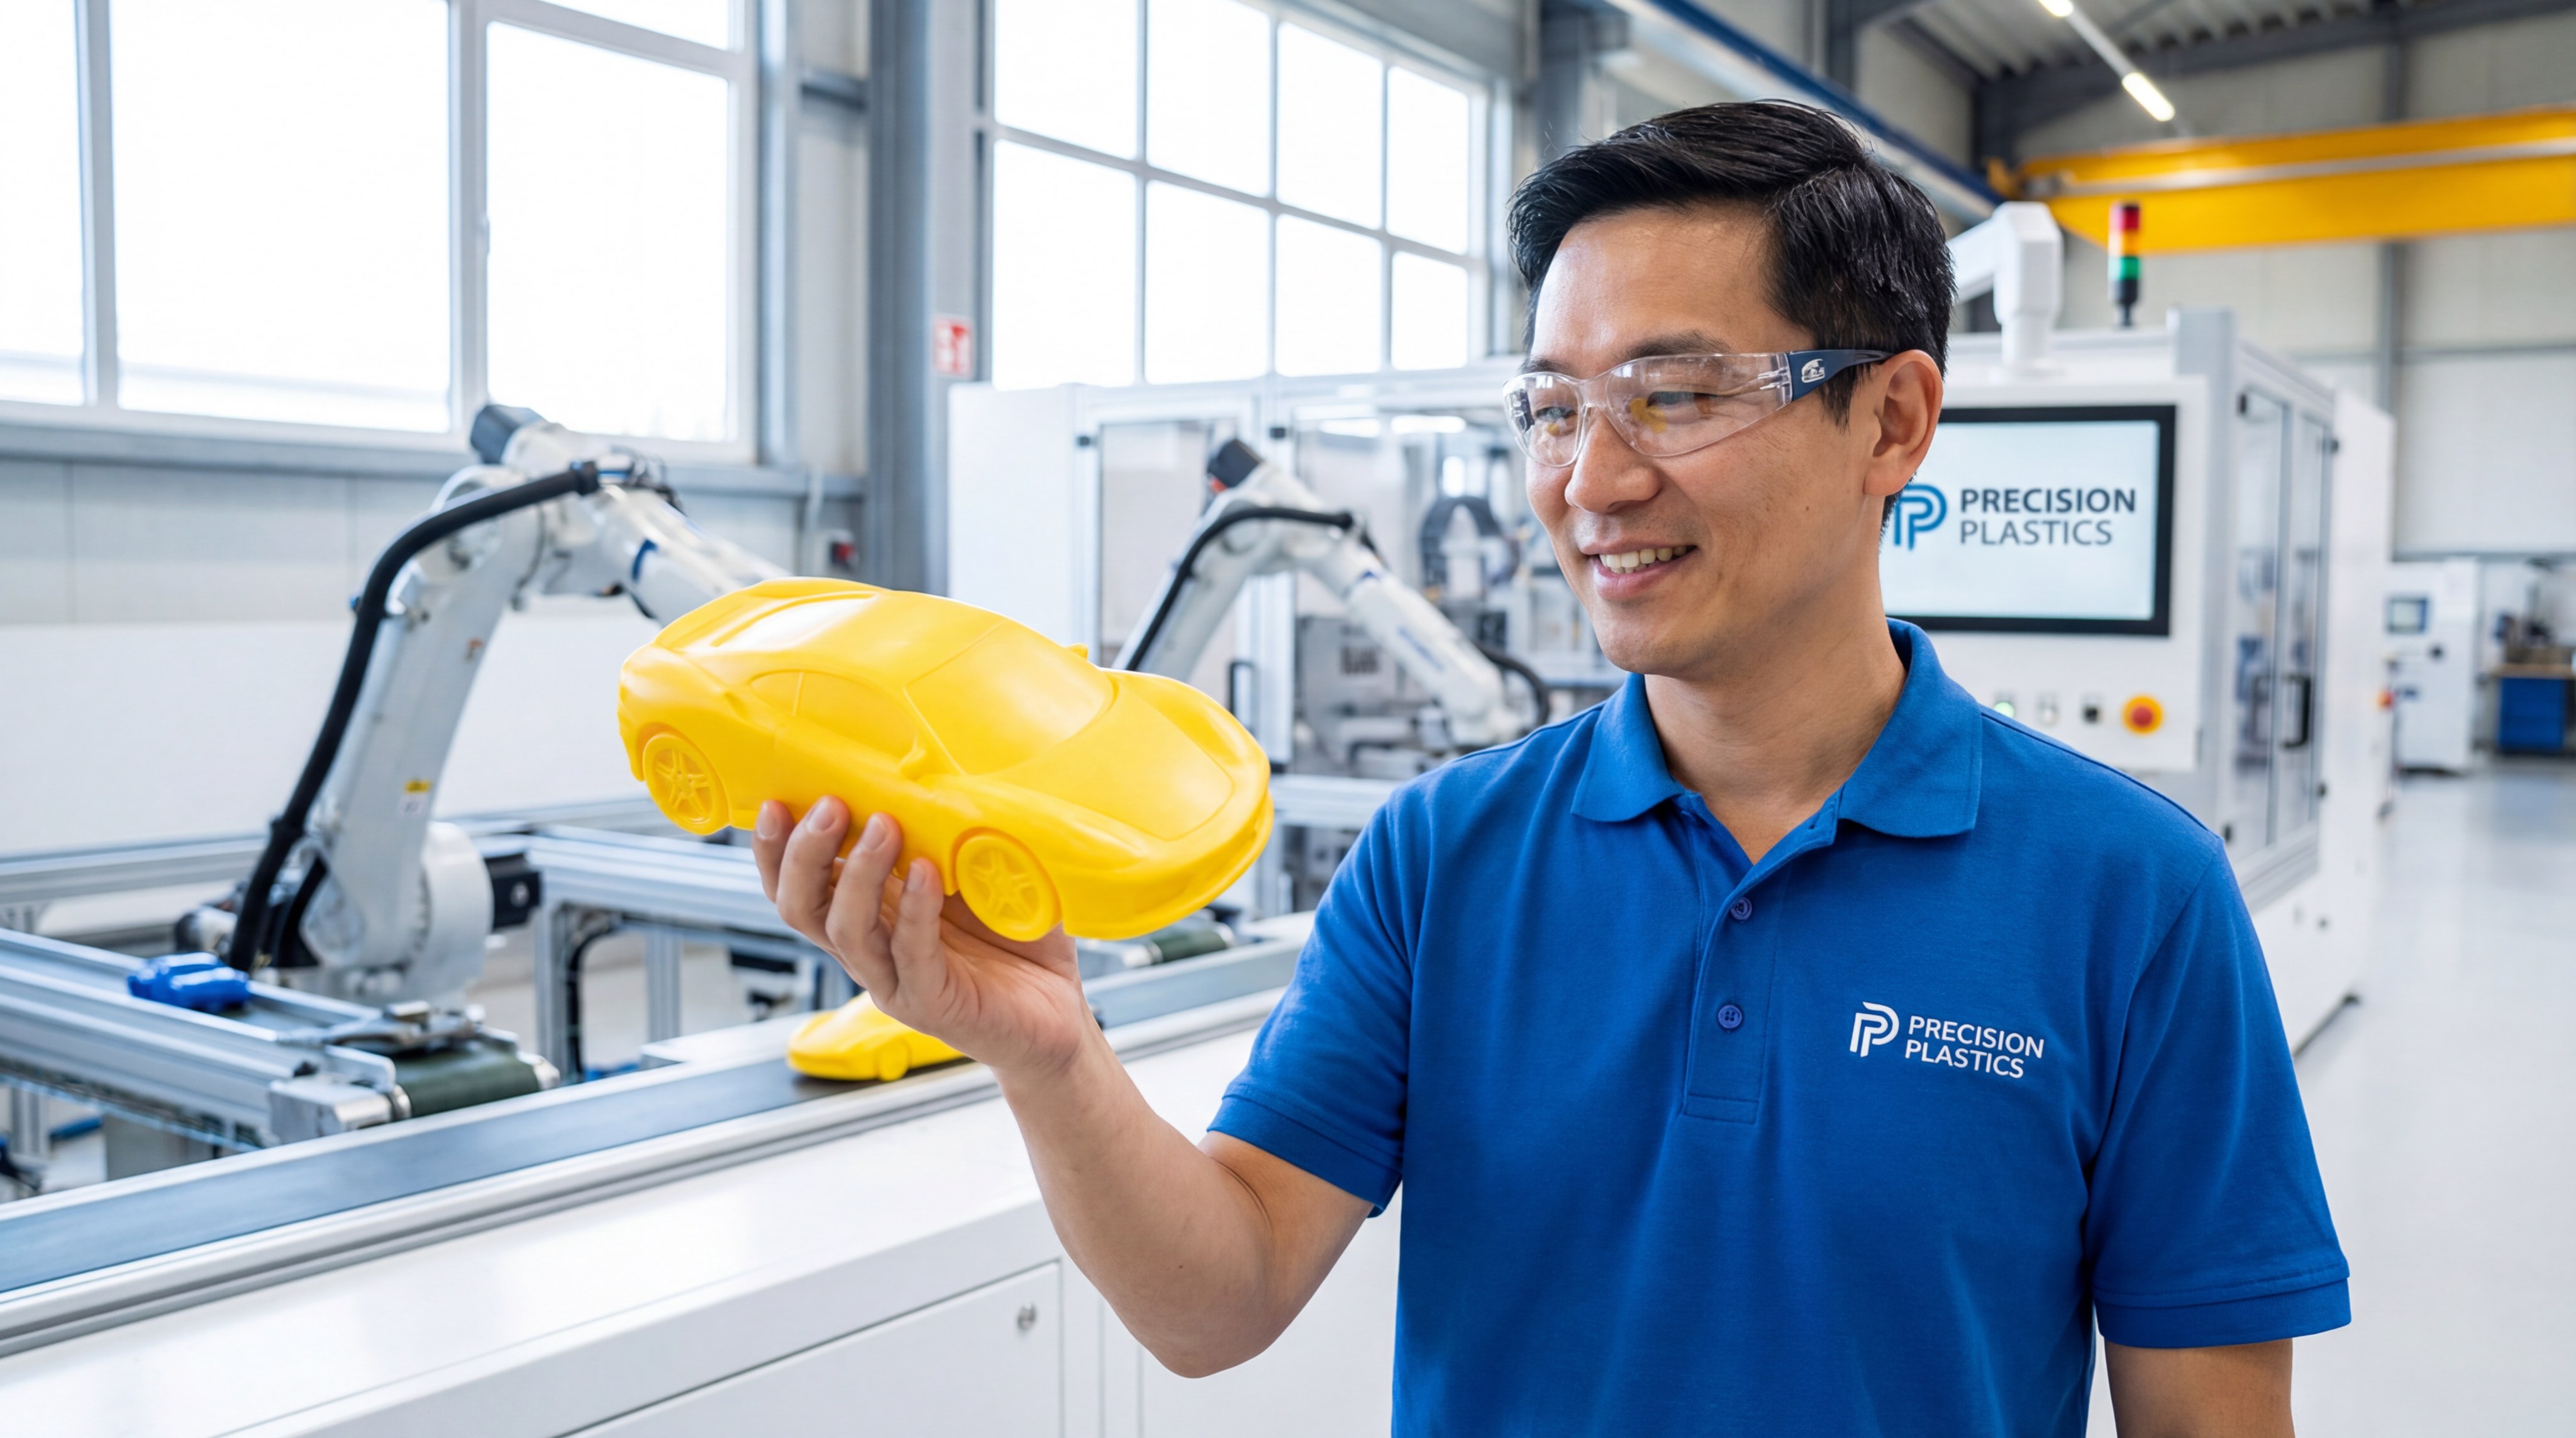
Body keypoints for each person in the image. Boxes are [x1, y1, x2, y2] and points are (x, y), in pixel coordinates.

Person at [754, 101, 2348, 1435]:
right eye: (1549, 406)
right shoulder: (1444, 857)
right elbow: (1214, 1298)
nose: (1588, 479)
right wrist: (1049, 1054)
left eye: (1672, 394)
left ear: (1893, 421)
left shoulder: (2129, 898)